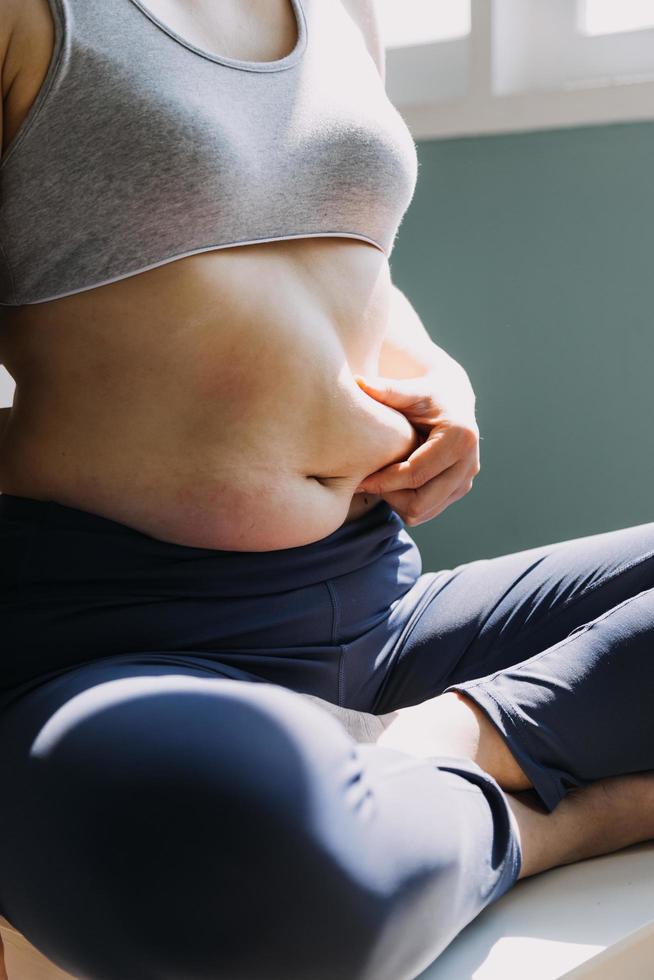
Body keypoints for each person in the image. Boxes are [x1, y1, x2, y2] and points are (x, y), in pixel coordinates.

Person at [0, 2, 653, 978]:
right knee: (228, 860)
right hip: (112, 640)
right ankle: (567, 813)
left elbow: (338, 256)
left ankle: (453, 737)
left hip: (382, 608)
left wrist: (433, 366)